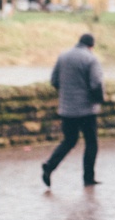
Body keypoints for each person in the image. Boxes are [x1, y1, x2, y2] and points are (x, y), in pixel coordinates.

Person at [42, 32, 105, 187]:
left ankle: (49, 166)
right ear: (91, 46)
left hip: (67, 109)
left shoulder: (63, 56)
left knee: (69, 141)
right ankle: (88, 178)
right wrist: (99, 100)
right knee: (91, 143)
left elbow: (54, 80)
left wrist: (67, 96)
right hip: (86, 110)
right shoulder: (91, 59)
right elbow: (96, 83)